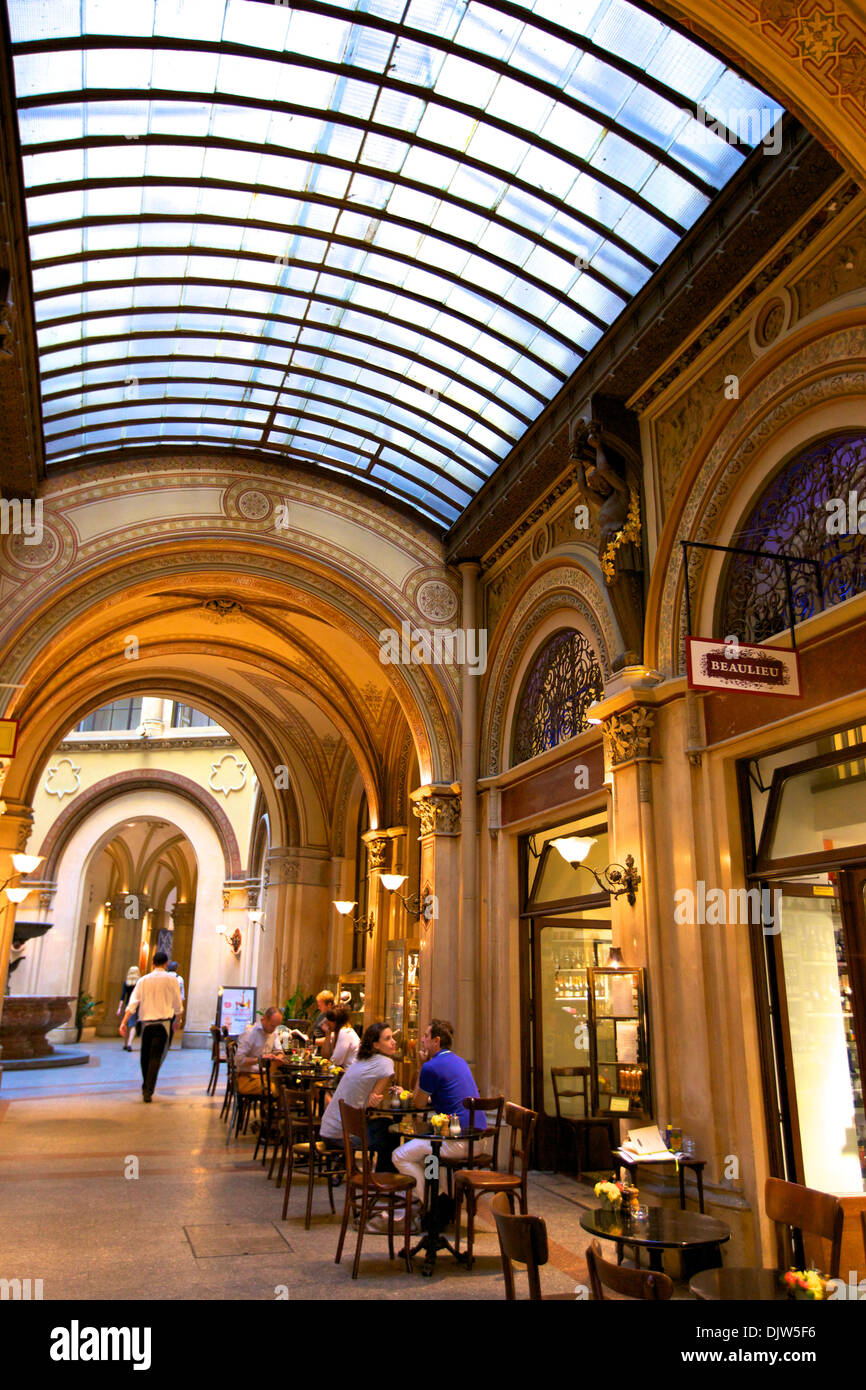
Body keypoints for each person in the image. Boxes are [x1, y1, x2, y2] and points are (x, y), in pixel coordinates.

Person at [392, 1018, 486, 1203]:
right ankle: (438, 1192)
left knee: (400, 1156)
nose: (422, 1040)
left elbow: (418, 1105)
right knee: (428, 1156)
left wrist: (421, 1065)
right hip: (477, 1138)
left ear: (436, 1041)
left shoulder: (431, 1066)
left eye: (426, 1036)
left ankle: (428, 1201)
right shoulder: (460, 1061)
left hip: (457, 1141)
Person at [118, 951, 183, 1102]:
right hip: (163, 1024)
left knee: (145, 1056)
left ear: (152, 963)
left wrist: (123, 1022)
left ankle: (146, 1085)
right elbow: (178, 1005)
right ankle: (148, 1089)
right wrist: (177, 1020)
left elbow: (132, 1003)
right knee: (156, 1057)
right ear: (166, 963)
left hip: (146, 1025)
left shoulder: (143, 980)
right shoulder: (172, 980)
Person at [235, 1006, 283, 1094]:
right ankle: (270, 1106)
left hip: (264, 1075)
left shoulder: (273, 1033)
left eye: (276, 1027)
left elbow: (279, 1051)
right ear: (264, 1019)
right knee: (275, 1090)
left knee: (286, 1085)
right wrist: (260, 1060)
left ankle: (271, 1107)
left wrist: (278, 1057)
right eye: (272, 1026)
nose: (273, 1029)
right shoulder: (250, 1034)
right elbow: (238, 1060)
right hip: (247, 1077)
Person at [118, 965, 141, 1051]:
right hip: (136, 1005)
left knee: (126, 1024)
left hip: (127, 1004)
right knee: (133, 1025)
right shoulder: (139, 982)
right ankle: (130, 1044)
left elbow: (123, 996)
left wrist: (119, 1008)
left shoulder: (126, 982)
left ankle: (125, 1043)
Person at [165, 960, 185, 1050]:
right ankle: (168, 1042)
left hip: (164, 1004)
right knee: (172, 1024)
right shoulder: (179, 979)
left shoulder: (164, 977)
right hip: (174, 1005)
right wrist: (181, 1007)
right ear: (176, 969)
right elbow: (182, 995)